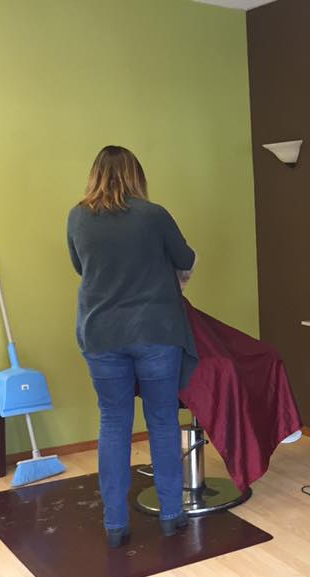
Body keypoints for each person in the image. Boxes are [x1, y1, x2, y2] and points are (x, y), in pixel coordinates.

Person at [67, 146, 198, 548]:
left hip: (101, 334)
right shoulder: (153, 215)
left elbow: (80, 267)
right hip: (155, 332)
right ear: (136, 176)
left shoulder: (77, 217)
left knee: (113, 423)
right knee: (162, 420)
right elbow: (186, 258)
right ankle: (171, 516)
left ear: (95, 175)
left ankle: (115, 525)